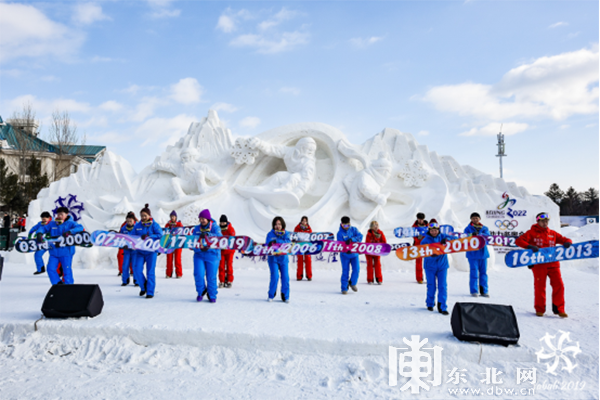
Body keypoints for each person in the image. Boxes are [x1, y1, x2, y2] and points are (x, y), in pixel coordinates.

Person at [516, 212, 572, 318]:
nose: (545, 223)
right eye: (542, 221)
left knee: (559, 285)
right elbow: (519, 241)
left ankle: (559, 309)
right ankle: (540, 309)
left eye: (546, 221)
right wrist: (529, 246)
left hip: (553, 264)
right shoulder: (531, 232)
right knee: (540, 287)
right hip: (538, 265)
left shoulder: (553, 233)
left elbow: (565, 239)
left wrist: (568, 242)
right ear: (538, 221)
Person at [33, 207, 83, 285]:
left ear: (66, 214)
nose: (59, 216)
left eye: (61, 214)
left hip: (66, 252)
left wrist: (70, 231)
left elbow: (80, 228)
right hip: (54, 252)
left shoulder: (70, 223)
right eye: (58, 214)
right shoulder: (52, 223)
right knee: (50, 269)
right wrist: (39, 233)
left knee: (66, 270)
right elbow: (43, 228)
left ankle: (68, 286)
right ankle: (57, 285)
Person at [420, 222, 453, 315]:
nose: (434, 232)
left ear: (438, 230)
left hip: (442, 266)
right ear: (429, 231)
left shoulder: (443, 236)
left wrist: (447, 240)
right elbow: (421, 252)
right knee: (431, 286)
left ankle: (442, 306)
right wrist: (430, 255)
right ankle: (430, 303)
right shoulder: (425, 240)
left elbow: (454, 240)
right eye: (432, 230)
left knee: (443, 286)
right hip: (430, 266)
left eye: (435, 230)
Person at [132, 204, 162, 298]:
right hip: (140, 252)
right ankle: (143, 286)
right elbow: (131, 236)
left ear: (149, 215)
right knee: (137, 270)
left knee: (150, 271)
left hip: (151, 251)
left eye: (145, 215)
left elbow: (160, 234)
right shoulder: (138, 226)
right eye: (142, 216)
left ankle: (150, 291)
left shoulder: (154, 225)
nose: (143, 217)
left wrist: (149, 237)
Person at [192, 209, 222, 302]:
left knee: (211, 276)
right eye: (200, 218)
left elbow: (220, 238)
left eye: (203, 218)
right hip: (199, 255)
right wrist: (199, 248)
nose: (202, 220)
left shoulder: (215, 227)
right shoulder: (197, 229)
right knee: (198, 274)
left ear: (208, 219)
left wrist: (208, 235)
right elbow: (192, 242)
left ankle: (212, 294)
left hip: (212, 255)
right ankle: (201, 291)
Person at [464, 212, 490, 297]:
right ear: (471, 219)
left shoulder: (484, 228)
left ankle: (484, 291)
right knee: (474, 273)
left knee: (483, 273)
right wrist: (471, 235)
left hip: (483, 254)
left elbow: (488, 237)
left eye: (476, 218)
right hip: (472, 254)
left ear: (480, 219)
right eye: (473, 218)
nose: (475, 220)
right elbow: (464, 237)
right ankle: (474, 290)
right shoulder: (468, 228)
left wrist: (479, 235)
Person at [266, 216, 291, 302]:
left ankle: (285, 296)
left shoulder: (286, 234)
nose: (278, 226)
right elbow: (268, 244)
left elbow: (288, 243)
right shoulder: (270, 234)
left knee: (285, 277)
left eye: (279, 224)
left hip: (283, 259)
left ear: (282, 225)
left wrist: (277, 242)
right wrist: (271, 244)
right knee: (275, 276)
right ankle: (271, 295)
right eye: (276, 224)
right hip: (273, 259)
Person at [337, 216, 363, 294]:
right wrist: (345, 250)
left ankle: (353, 283)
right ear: (341, 224)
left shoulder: (354, 229)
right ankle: (344, 288)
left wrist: (352, 239)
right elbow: (340, 244)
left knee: (357, 269)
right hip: (345, 255)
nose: (346, 227)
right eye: (345, 225)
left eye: (348, 225)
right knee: (345, 271)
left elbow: (360, 237)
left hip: (354, 254)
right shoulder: (339, 233)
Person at [119, 212, 138, 286]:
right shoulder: (124, 228)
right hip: (126, 250)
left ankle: (136, 281)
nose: (129, 223)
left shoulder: (137, 227)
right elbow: (120, 238)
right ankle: (125, 280)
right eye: (127, 221)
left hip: (135, 250)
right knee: (125, 265)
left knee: (134, 265)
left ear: (134, 221)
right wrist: (122, 245)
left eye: (130, 221)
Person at [165, 210, 184, 278]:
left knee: (177, 258)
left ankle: (179, 273)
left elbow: (183, 232)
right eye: (171, 216)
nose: (172, 218)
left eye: (173, 216)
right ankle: (168, 273)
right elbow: (165, 233)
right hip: (169, 244)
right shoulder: (167, 224)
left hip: (178, 243)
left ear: (176, 217)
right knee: (169, 259)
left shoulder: (179, 224)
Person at [218, 214, 235, 288]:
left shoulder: (230, 229)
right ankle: (221, 281)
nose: (222, 224)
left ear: (226, 222)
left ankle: (229, 280)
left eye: (223, 223)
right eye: (221, 223)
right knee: (221, 266)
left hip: (229, 251)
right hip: (221, 251)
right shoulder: (218, 229)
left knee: (229, 265)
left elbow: (232, 239)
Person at [294, 216, 313, 281]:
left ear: (307, 222)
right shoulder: (297, 228)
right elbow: (294, 236)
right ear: (301, 221)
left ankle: (309, 276)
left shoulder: (309, 229)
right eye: (303, 221)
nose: (304, 222)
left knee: (308, 260)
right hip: (299, 247)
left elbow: (311, 237)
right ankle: (299, 276)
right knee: (300, 261)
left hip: (307, 247)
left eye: (305, 221)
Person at [412, 213, 428, 284]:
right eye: (419, 219)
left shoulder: (427, 225)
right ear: (417, 219)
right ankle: (419, 278)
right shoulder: (414, 226)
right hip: (417, 245)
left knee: (428, 262)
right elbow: (413, 235)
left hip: (426, 246)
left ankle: (429, 277)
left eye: (422, 219)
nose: (421, 221)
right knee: (418, 263)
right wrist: (417, 238)